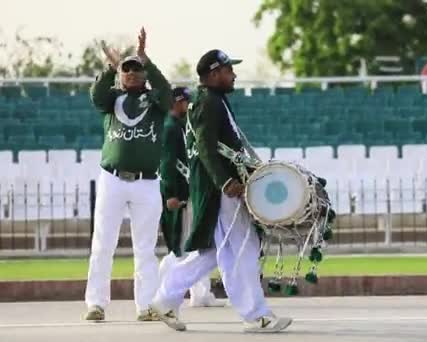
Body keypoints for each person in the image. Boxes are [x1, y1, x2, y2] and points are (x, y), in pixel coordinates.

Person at [150, 49, 292, 333]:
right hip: (221, 192)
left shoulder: (214, 101)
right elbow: (204, 147)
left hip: (219, 189)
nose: (234, 75)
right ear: (214, 74)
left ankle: (165, 298)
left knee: (216, 251)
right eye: (229, 70)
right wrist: (226, 182)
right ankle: (256, 315)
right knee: (241, 249)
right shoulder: (208, 103)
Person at [84, 28, 171, 322]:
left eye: (137, 69)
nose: (132, 73)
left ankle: (145, 305)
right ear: (120, 74)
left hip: (146, 181)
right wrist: (111, 66)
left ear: (144, 73)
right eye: (127, 68)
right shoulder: (111, 100)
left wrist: (147, 59)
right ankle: (96, 304)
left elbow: (170, 96)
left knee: (145, 248)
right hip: (112, 178)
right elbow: (96, 95)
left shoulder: (156, 101)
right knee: (103, 242)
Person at [158, 86, 223, 308]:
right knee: (182, 246)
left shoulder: (180, 126)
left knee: (195, 243)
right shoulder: (169, 128)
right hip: (179, 194)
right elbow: (167, 163)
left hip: (188, 191)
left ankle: (200, 293)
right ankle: (166, 290)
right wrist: (170, 193)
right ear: (177, 102)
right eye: (186, 101)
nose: (189, 105)